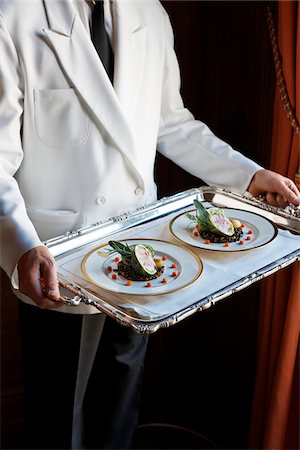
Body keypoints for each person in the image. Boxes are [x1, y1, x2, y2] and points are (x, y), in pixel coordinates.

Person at [0, 1, 299, 449]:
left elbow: (173, 124)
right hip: (57, 263)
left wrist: (248, 175)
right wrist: (20, 244)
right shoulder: (13, 16)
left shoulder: (151, 13)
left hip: (143, 261)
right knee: (60, 422)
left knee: (119, 410)